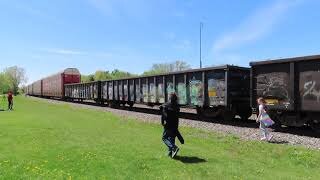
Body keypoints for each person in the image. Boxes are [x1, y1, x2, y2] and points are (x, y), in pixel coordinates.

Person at [160, 93, 183, 158]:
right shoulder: (177, 106)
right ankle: (170, 153)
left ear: (169, 98)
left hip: (168, 125)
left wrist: (162, 109)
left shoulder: (166, 105)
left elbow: (165, 116)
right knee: (171, 138)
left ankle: (174, 148)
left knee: (164, 138)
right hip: (175, 125)